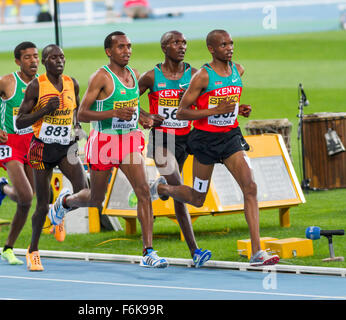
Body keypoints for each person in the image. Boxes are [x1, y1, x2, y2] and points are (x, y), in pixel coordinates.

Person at [47, 31, 169, 269]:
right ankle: (65, 202)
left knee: (143, 191)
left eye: (129, 46)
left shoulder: (134, 74)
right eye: (121, 47)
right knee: (95, 199)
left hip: (130, 141)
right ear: (109, 51)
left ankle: (148, 252)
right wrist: (113, 113)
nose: (127, 51)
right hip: (104, 142)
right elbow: (81, 113)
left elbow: (132, 106)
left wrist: (144, 117)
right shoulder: (101, 77)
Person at [176, 29, 280, 266]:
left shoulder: (238, 70)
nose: (229, 47)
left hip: (230, 138)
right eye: (223, 45)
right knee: (198, 198)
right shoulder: (202, 76)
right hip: (205, 142)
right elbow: (182, 112)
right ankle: (163, 189)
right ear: (211, 49)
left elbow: (227, 103)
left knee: (250, 187)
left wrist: (238, 109)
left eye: (231, 43)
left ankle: (257, 252)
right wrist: (215, 111)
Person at [138, 30, 212, 268]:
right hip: (163, 140)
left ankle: (194, 252)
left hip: (188, 138)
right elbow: (128, 101)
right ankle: (160, 187)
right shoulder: (151, 77)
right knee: (178, 185)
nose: (182, 46)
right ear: (164, 47)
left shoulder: (194, 75)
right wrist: (147, 116)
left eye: (184, 42)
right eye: (175, 42)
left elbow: (210, 99)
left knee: (179, 195)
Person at [16, 44, 88, 271]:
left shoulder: (71, 83)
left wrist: (77, 127)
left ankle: (62, 205)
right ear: (45, 62)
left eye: (62, 57)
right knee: (41, 205)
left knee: (86, 191)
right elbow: (20, 121)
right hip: (42, 149)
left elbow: (75, 111)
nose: (59, 61)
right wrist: (43, 111)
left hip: (66, 147)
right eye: (54, 58)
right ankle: (33, 251)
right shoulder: (37, 86)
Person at [0, 41, 38, 265]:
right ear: (18, 61)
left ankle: (3, 187)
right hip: (9, 143)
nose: (34, 61)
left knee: (28, 200)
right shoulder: (7, 82)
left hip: (32, 143)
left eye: (36, 56)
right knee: (26, 196)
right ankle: (8, 248)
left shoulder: (43, 83)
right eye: (28, 57)